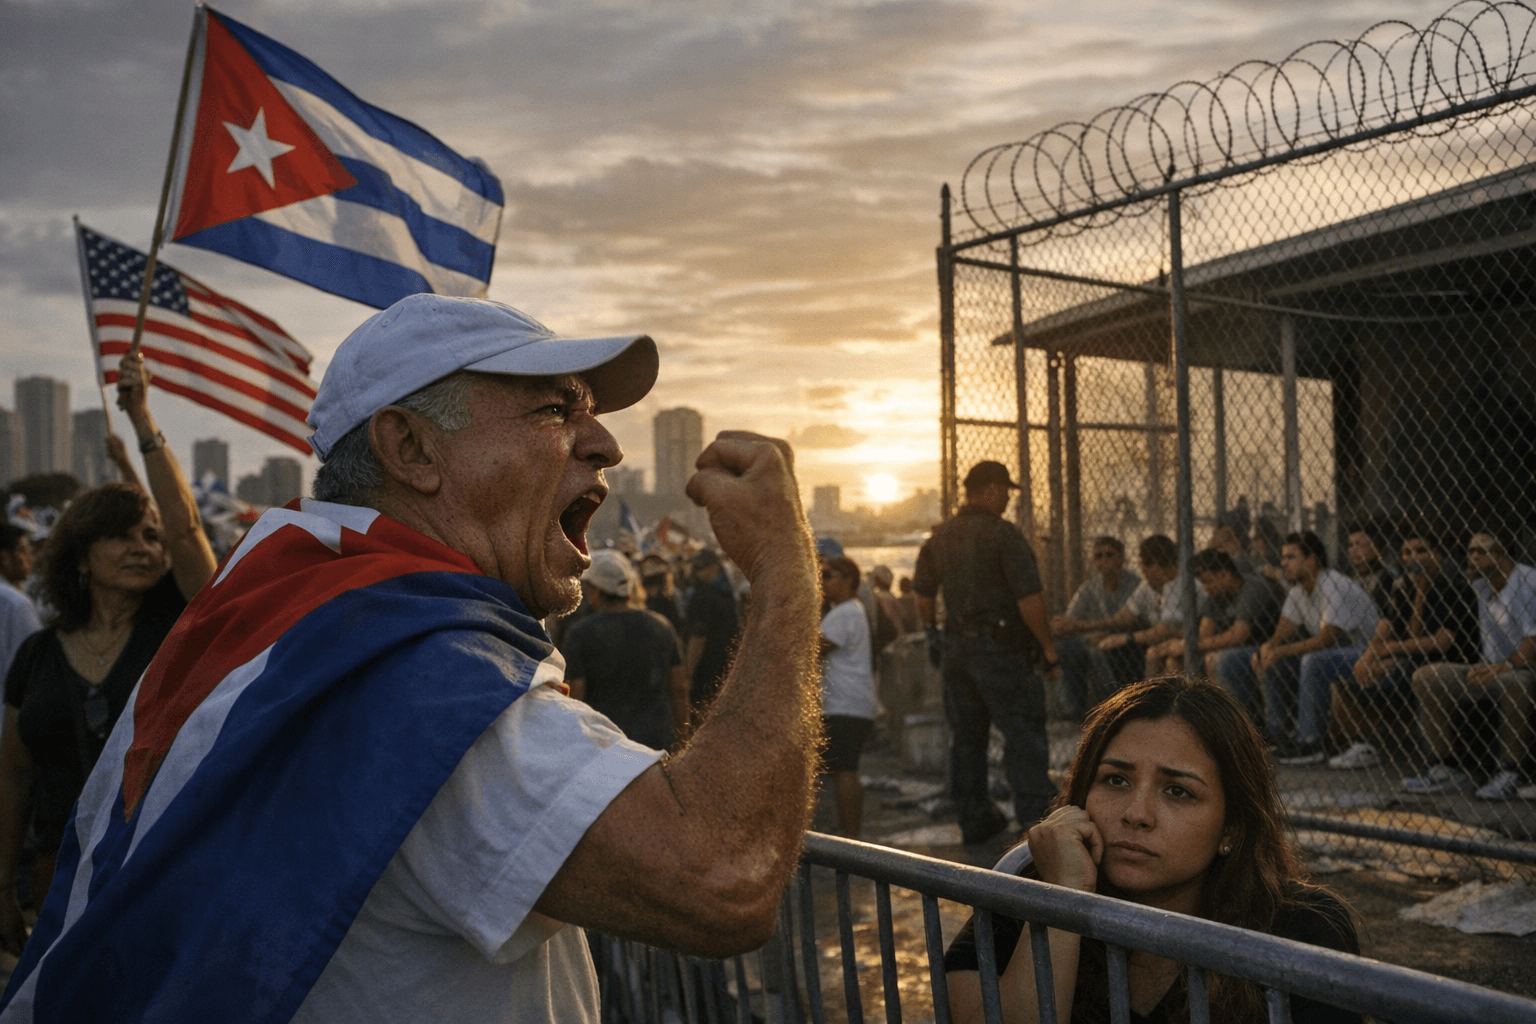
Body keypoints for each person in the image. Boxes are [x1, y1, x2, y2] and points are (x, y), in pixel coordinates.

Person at [0, 294, 823, 1022]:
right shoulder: (411, 685)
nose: (602, 443)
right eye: (554, 409)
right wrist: (787, 573)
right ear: (411, 451)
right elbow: (725, 873)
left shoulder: (287, 626)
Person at [943, 676, 1360, 1024]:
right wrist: (1061, 903)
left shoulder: (1303, 931)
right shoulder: (1023, 893)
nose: (1136, 814)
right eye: (1115, 781)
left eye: (1178, 791)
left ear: (1230, 827)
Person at [0, 354, 216, 945]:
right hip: (54, 888)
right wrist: (0, 888)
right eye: (121, 536)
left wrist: (141, 420)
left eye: (149, 536)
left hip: (160, 879)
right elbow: (15, 776)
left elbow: (186, 528)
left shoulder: (181, 628)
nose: (144, 547)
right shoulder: (37, 655)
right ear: (79, 554)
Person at [914, 460, 1059, 846]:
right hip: (1001, 650)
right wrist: (1048, 649)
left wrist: (931, 632)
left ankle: (974, 819)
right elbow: (1029, 598)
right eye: (1006, 491)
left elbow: (923, 590)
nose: (1009, 498)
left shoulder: (941, 536)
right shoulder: (1003, 535)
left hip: (957, 650)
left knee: (966, 737)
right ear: (992, 490)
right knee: (1023, 732)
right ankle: (1034, 820)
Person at [1219, 532, 1378, 762]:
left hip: (1366, 652)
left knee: (1312, 661)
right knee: (1250, 659)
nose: (1283, 563)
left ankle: (1310, 742)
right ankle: (1276, 733)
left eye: (1291, 557)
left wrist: (1279, 651)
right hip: (1331, 655)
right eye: (1283, 557)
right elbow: (1282, 633)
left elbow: (1326, 639)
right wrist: (1267, 648)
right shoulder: (1297, 590)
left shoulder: (1333, 585)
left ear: (1311, 560)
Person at [1327, 532, 1478, 771]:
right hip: (1412, 657)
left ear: (1436, 554)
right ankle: (1363, 745)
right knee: (1365, 668)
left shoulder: (1453, 585)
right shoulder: (1404, 585)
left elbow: (1441, 643)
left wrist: (1389, 650)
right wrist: (1369, 657)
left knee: (1399, 669)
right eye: (1408, 553)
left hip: (1450, 659)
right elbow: (1389, 626)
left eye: (1421, 551)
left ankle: (1373, 732)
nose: (1414, 558)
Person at [1402, 532, 1536, 799]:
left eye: (1482, 551)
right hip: (1498, 667)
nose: (1473, 557)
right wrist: (1485, 667)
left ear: (1503, 555)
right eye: (1471, 551)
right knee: (1426, 676)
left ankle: (1512, 772)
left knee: (1516, 682)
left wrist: (1504, 667)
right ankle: (1445, 768)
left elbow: (1532, 643)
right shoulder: (1481, 587)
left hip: (1524, 668)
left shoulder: (1527, 581)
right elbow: (1489, 646)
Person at [563, 550, 689, 751]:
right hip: (655, 742)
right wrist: (683, 738)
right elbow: (679, 687)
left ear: (597, 589)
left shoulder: (580, 633)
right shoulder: (661, 626)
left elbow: (576, 695)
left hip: (604, 744)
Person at [818, 555, 877, 838]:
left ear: (847, 579)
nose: (822, 581)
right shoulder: (850, 610)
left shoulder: (844, 612)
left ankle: (851, 835)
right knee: (844, 768)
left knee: (843, 769)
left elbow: (815, 646)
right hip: (851, 703)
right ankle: (849, 830)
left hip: (845, 705)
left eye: (828, 575)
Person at [1050, 535, 1140, 720]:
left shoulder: (1134, 584)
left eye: (1109, 554)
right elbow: (1070, 619)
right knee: (1063, 647)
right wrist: (1062, 625)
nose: (1104, 560)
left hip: (1129, 642)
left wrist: (1089, 630)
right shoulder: (1090, 587)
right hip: (1092, 639)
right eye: (1099, 556)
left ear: (1121, 558)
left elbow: (1130, 621)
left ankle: (1108, 710)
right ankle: (1073, 711)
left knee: (1098, 650)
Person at [1096, 534, 1179, 689]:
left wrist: (1127, 638)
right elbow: (1123, 618)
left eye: (1145, 567)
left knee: (1162, 658)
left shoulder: (1176, 584)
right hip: (1162, 643)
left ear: (1155, 566)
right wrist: (1084, 626)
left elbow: (1166, 630)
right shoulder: (1148, 586)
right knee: (1117, 648)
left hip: (1186, 640)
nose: (1143, 573)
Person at [684, 546, 741, 714]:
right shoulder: (728, 592)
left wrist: (687, 673)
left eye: (700, 568)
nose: (696, 572)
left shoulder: (704, 595)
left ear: (714, 568)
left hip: (705, 669)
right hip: (725, 667)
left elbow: (698, 638)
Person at [0, 526, 40, 686]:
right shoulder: (16, 604)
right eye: (23, 551)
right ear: (4, 557)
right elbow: (36, 667)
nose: (31, 558)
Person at [638, 551, 684, 634]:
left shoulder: (671, 597)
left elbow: (677, 626)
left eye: (654, 564)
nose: (649, 567)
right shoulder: (640, 598)